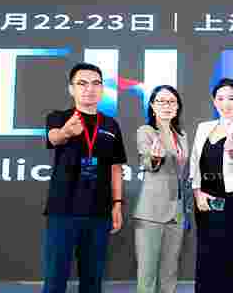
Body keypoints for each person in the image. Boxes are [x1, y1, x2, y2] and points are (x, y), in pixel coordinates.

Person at [41, 62, 127, 293]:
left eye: (96, 83)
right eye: (82, 83)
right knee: (55, 279)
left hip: (99, 212)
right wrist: (66, 132)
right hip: (63, 210)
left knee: (92, 280)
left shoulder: (111, 125)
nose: (90, 88)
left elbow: (115, 168)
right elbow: (54, 138)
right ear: (71, 89)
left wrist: (117, 204)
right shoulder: (59, 117)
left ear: (102, 89)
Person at [189, 78, 233, 293]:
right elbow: (194, 162)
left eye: (231, 98)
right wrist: (197, 193)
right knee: (205, 252)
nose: (225, 103)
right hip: (204, 199)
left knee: (228, 254)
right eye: (220, 98)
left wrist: (232, 149)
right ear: (214, 101)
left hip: (230, 199)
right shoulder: (203, 127)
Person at [131, 85, 190, 293]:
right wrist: (155, 158)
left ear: (177, 107)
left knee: (170, 272)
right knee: (147, 274)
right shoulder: (146, 131)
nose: (167, 105)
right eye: (161, 101)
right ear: (152, 106)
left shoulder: (182, 135)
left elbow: (182, 173)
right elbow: (147, 161)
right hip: (151, 212)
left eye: (172, 101)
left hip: (177, 212)